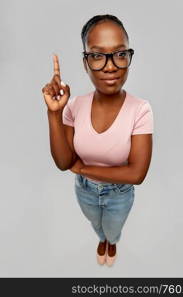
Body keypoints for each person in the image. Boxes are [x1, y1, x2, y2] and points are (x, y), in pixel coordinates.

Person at [42, 14, 154, 267]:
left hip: (119, 195)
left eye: (120, 54)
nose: (110, 65)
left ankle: (111, 242)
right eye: (97, 55)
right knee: (95, 223)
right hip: (84, 190)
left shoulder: (141, 109)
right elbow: (64, 162)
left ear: (128, 57)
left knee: (113, 229)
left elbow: (137, 173)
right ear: (85, 62)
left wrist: (82, 168)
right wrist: (54, 112)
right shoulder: (74, 106)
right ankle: (101, 238)